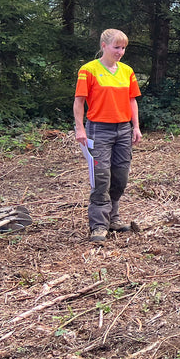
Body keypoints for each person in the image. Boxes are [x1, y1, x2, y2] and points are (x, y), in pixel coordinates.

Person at [74, 29, 142, 243]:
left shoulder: (127, 71)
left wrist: (136, 127)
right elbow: (79, 101)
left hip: (123, 130)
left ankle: (114, 218)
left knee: (120, 177)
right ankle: (99, 226)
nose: (120, 52)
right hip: (98, 129)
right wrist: (79, 128)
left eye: (123, 48)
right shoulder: (88, 70)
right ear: (103, 45)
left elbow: (132, 101)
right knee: (101, 178)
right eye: (116, 47)